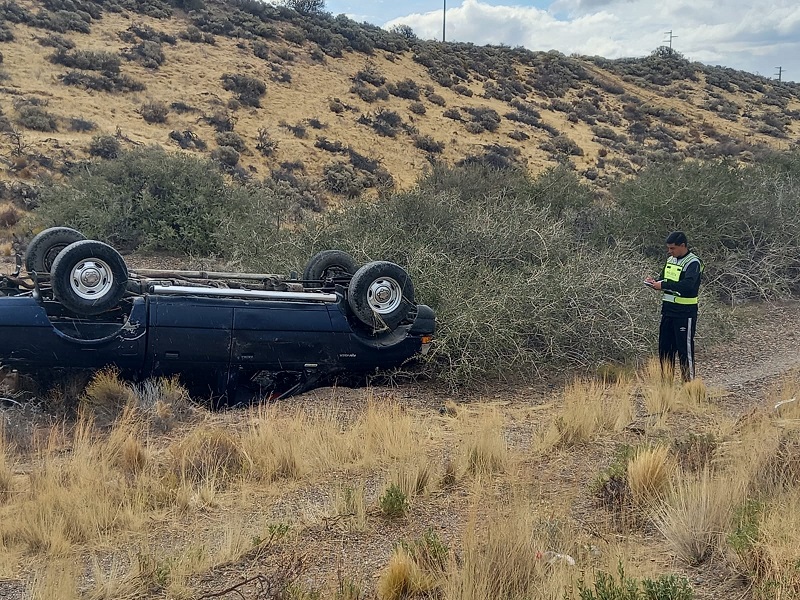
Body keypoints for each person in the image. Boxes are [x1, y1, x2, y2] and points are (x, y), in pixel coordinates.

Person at [644, 231, 704, 382]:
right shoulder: (671, 260)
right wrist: (655, 282)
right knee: (665, 350)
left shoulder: (693, 262)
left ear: (682, 246)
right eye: (668, 248)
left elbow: (688, 285)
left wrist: (663, 285)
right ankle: (667, 385)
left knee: (684, 351)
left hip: (685, 313)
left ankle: (689, 386)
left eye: (672, 248)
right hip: (668, 311)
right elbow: (665, 279)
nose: (669, 251)